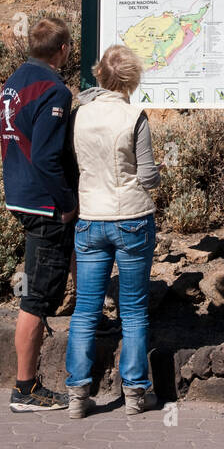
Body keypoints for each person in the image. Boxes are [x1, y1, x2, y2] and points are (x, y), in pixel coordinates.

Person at [64, 44, 160, 419]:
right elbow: (148, 175)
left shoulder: (79, 115)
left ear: (99, 74)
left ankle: (77, 395)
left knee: (86, 309)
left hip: (90, 218)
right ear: (131, 78)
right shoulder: (135, 115)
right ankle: (136, 393)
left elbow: (76, 164)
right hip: (132, 217)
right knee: (134, 310)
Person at [0, 17, 78, 412]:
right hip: (44, 204)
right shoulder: (56, 90)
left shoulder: (14, 80)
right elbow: (47, 157)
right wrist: (67, 204)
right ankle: (24, 390)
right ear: (63, 49)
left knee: (33, 289)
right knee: (35, 299)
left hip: (18, 193)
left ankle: (27, 386)